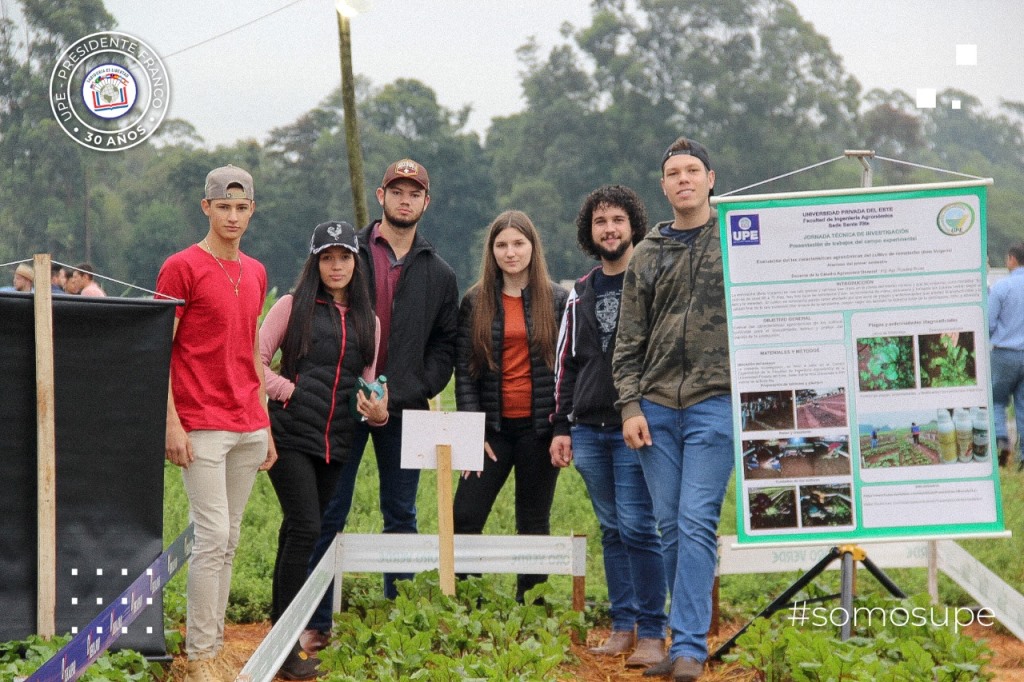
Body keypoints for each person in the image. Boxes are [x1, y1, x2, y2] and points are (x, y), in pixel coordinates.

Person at [301, 158, 458, 652]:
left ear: (425, 202)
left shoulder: (440, 272)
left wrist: (412, 388)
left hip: (406, 409)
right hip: (342, 403)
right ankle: (316, 621)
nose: (405, 199)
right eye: (397, 190)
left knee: (401, 513)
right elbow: (315, 313)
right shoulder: (350, 254)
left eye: (414, 192)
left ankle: (400, 618)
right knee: (330, 510)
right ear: (380, 195)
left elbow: (446, 345)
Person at [612, 137, 733, 682]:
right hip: (655, 409)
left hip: (715, 403)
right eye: (673, 172)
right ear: (662, 187)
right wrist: (629, 404)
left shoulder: (735, 240)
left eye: (692, 170)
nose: (683, 179)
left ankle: (686, 648)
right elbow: (628, 339)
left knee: (695, 520)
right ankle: (680, 640)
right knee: (668, 527)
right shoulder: (647, 253)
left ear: (711, 179)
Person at [156, 164, 278, 682]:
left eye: (241, 207)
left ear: (252, 210)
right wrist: (170, 423)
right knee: (211, 536)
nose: (232, 216)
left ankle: (218, 646)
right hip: (200, 421)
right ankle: (202, 658)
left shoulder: (256, 271)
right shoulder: (180, 267)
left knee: (230, 539)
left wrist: (266, 422)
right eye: (222, 206)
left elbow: (251, 348)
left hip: (248, 421)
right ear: (205, 207)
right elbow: (158, 348)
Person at [260, 220, 388, 680]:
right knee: (308, 526)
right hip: (292, 433)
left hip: (338, 440)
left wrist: (378, 412)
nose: (337, 266)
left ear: (357, 262)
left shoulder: (367, 320)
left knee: (297, 531)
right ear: (315, 262)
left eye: (345, 257)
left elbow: (371, 384)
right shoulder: (292, 307)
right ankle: (287, 647)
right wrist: (287, 391)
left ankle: (278, 638)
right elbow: (252, 363)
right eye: (328, 257)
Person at [550, 185, 667, 668]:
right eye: (601, 222)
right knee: (612, 528)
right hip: (589, 429)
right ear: (589, 232)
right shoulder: (579, 293)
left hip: (633, 427)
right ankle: (622, 626)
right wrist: (561, 424)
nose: (610, 229)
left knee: (640, 526)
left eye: (618, 220)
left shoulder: (652, 282)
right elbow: (566, 364)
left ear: (633, 225)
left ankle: (653, 632)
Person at [453, 209, 567, 602]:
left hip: (539, 430)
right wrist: (472, 431)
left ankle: (531, 609)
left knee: (533, 522)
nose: (510, 252)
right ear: (492, 251)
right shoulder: (475, 300)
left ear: (533, 248)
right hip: (492, 432)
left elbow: (568, 368)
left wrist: (561, 427)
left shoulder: (558, 300)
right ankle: (469, 605)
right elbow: (465, 371)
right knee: (464, 516)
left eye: (518, 243)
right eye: (501, 245)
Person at [989, 241, 1024, 470]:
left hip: (1004, 355)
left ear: (1012, 259)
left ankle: (1001, 439)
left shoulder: (1002, 287)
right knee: (1022, 406)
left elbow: (989, 323)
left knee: (997, 400)